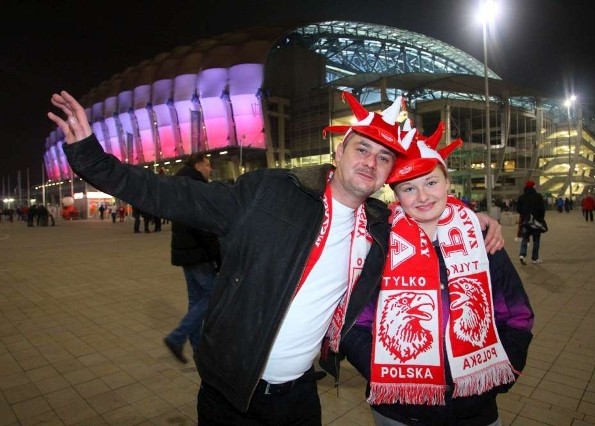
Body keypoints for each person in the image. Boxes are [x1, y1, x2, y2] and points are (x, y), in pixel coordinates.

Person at [48, 90, 503, 425]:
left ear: (387, 173)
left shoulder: (384, 225)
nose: (370, 162)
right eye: (362, 148)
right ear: (339, 150)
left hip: (300, 397)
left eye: (384, 158)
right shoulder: (268, 192)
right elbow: (174, 196)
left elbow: (431, 213)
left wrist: (476, 219)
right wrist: (92, 160)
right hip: (230, 393)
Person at [323, 123, 534, 426]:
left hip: (474, 407)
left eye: (431, 183)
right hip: (399, 410)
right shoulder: (380, 247)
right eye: (409, 188)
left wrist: (499, 374)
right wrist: (387, 374)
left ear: (448, 183)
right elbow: (355, 323)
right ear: (396, 195)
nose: (422, 197)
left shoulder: (481, 240)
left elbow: (517, 314)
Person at [163, 153, 222, 364]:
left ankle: (198, 349)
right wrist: (217, 256)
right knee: (213, 296)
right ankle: (177, 337)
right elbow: (203, 226)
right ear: (197, 165)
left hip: (186, 251)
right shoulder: (196, 187)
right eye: (207, 165)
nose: (210, 169)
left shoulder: (180, 184)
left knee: (196, 300)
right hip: (199, 252)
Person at [517, 181, 546, 265]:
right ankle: (534, 258)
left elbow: (518, 209)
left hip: (526, 221)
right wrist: (540, 219)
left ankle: (522, 255)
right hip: (536, 222)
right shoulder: (538, 196)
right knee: (536, 240)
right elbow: (542, 209)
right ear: (533, 187)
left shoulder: (521, 197)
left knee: (525, 238)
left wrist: (524, 214)